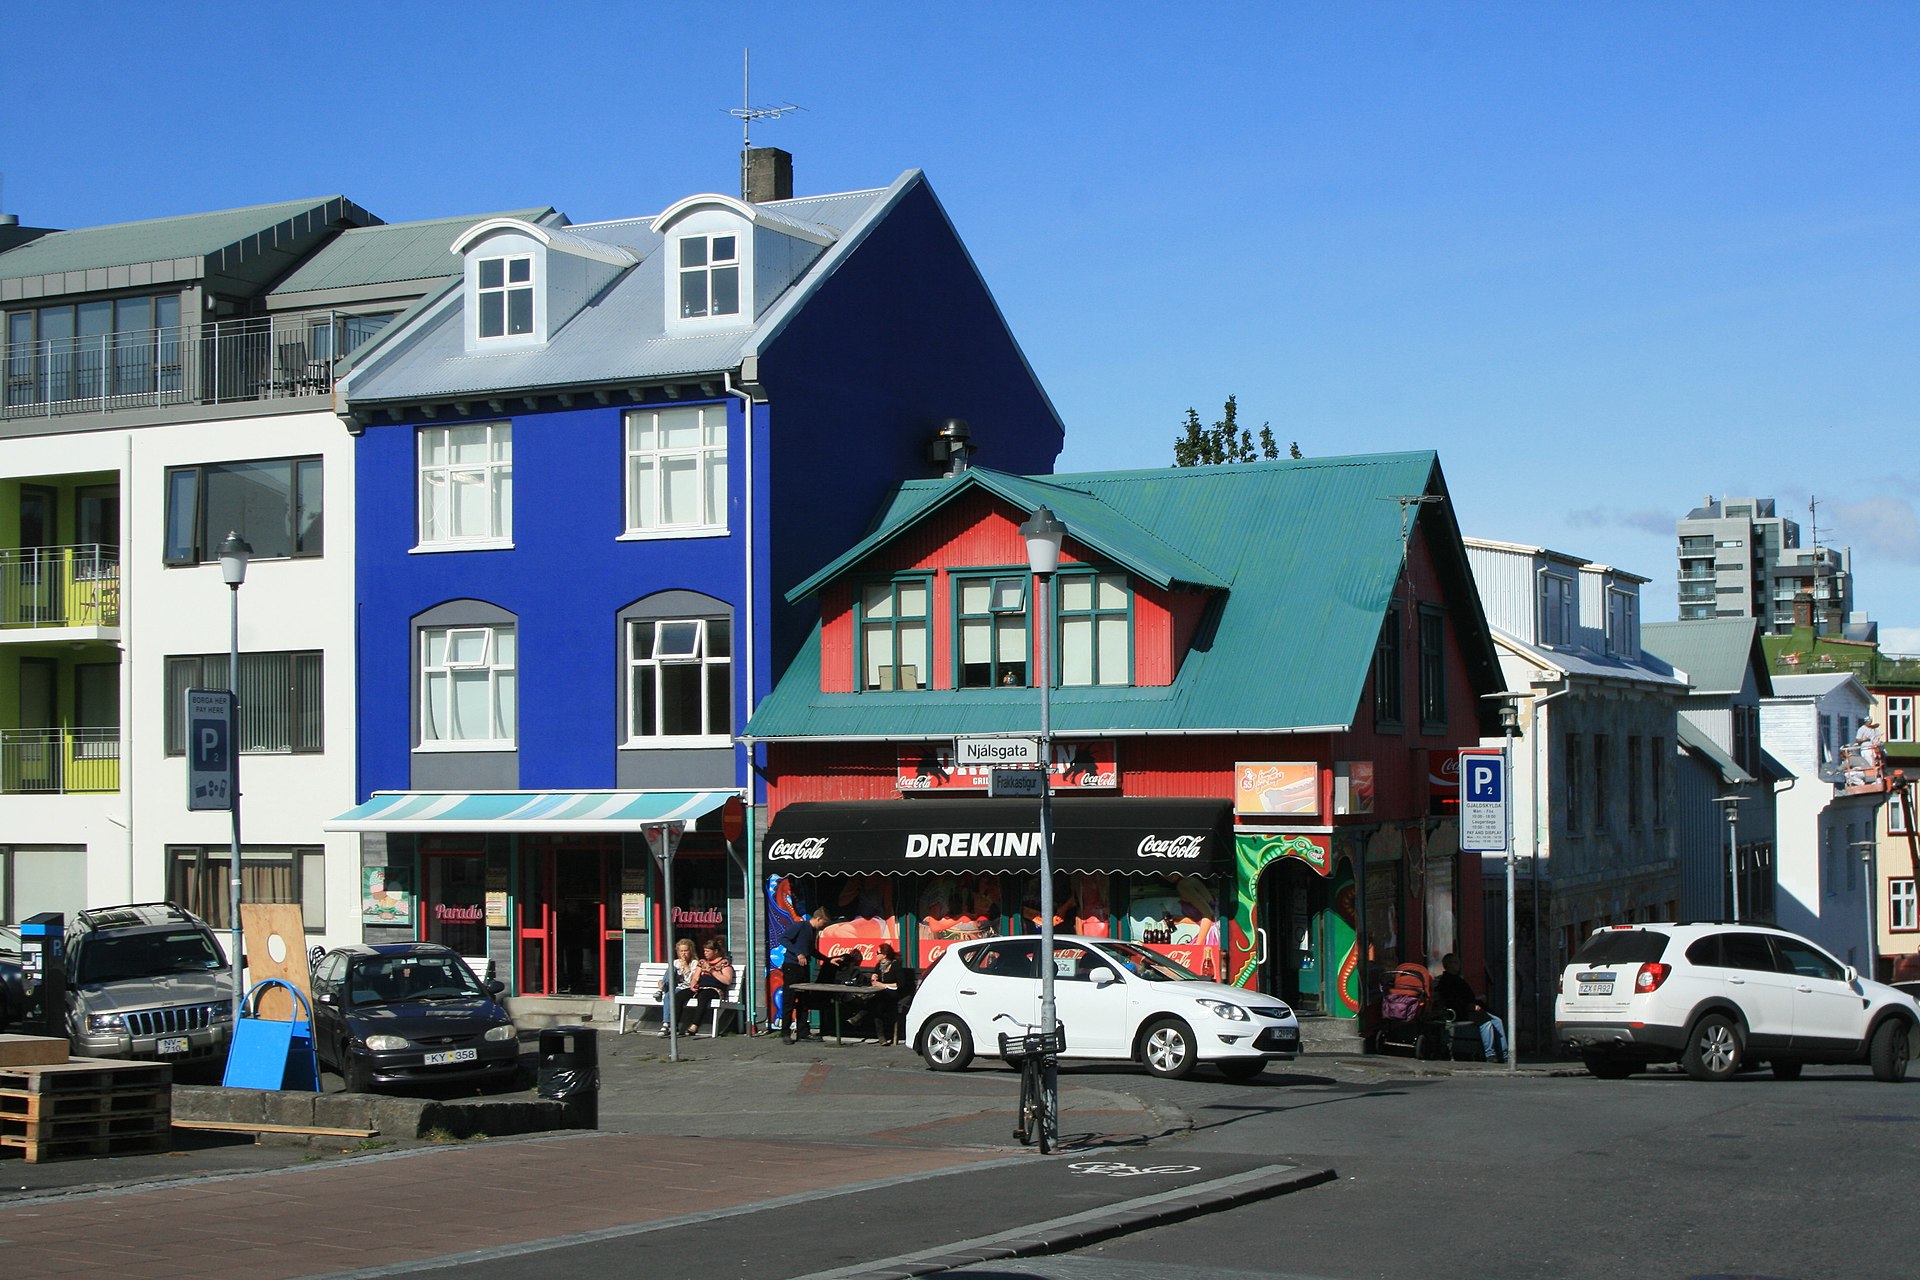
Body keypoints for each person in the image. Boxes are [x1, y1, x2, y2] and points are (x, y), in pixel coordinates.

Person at [1436, 953, 1506, 1063]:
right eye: (1455, 962)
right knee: (1486, 1022)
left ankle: (1504, 1054)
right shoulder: (1447, 981)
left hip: (1469, 1008)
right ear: (1448, 964)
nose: (1458, 965)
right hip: (1461, 1012)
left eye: (1458, 962)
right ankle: (1490, 1054)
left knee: (1497, 1021)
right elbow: (1453, 1001)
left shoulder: (1456, 979)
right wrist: (1471, 1005)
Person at [779, 907, 831, 1043]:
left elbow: (811, 950)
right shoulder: (800, 926)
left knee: (804, 1000)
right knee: (789, 1000)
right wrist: (798, 953)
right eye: (824, 923)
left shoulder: (813, 931)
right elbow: (783, 938)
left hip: (804, 967)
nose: (824, 926)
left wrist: (828, 960)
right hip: (792, 966)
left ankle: (803, 1031)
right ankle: (785, 1032)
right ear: (818, 919)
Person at [685, 939, 736, 1035]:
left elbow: (727, 980)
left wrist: (712, 971)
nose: (705, 953)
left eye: (708, 951)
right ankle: (672, 1025)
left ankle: (695, 1025)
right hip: (701, 988)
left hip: (715, 989)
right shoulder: (702, 962)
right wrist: (693, 984)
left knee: (703, 996)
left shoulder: (724, 963)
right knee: (680, 995)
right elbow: (695, 977)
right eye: (704, 951)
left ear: (715, 951)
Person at [867, 943, 907, 1047]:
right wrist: (873, 978)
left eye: (878, 953)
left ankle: (860, 1015)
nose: (876, 955)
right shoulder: (878, 966)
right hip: (881, 995)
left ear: (884, 955)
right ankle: (881, 1036)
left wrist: (884, 985)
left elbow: (901, 984)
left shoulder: (895, 966)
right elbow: (875, 982)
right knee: (877, 1005)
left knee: (876, 1003)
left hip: (894, 994)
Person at [659, 937, 699, 1037]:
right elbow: (668, 976)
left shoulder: (695, 963)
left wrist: (686, 966)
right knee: (672, 968)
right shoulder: (675, 962)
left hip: (686, 988)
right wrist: (661, 982)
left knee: (668, 995)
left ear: (691, 951)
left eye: (686, 951)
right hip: (674, 986)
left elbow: (691, 981)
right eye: (681, 951)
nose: (683, 954)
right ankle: (661, 989)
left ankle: (666, 1024)